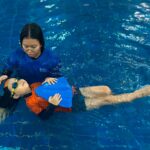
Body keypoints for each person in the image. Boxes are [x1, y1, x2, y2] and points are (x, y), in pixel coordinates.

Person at [1, 77, 150, 120]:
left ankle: (117, 101)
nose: (18, 80)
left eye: (16, 78)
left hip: (75, 92)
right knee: (107, 100)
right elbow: (44, 117)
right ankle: (135, 95)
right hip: (73, 105)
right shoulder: (30, 103)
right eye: (15, 84)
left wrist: (50, 78)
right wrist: (52, 105)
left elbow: (56, 85)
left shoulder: (34, 84)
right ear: (15, 95)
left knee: (106, 89)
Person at [0, 23, 62, 121]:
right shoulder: (16, 55)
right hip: (20, 83)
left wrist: (50, 78)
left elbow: (57, 76)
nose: (29, 50)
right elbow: (9, 67)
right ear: (21, 44)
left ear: (41, 43)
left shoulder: (51, 59)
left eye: (33, 47)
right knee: (5, 103)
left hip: (39, 85)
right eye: (25, 46)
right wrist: (4, 75)